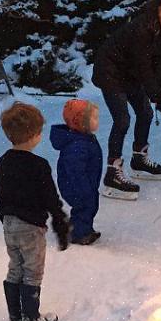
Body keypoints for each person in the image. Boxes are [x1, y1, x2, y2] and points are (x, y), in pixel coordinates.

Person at [91, 0, 161, 200]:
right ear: (157, 8)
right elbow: (144, 66)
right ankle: (112, 174)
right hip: (111, 69)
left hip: (130, 71)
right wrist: (158, 97)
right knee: (122, 119)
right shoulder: (143, 28)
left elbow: (156, 64)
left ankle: (139, 159)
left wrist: (160, 95)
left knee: (145, 113)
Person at [0, 102, 70, 321]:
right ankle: (31, 319)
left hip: (10, 224)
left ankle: (15, 317)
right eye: (39, 131)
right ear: (33, 135)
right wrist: (59, 220)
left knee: (15, 267)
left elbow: (1, 193)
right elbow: (50, 197)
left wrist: (5, 217)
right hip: (31, 225)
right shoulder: (38, 165)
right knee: (32, 270)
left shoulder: (3, 162)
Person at [49, 99, 103, 245]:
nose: (98, 121)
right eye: (94, 118)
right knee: (84, 207)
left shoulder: (84, 139)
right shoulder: (78, 145)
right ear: (82, 122)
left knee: (89, 206)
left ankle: (84, 229)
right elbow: (75, 171)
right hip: (77, 186)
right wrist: (84, 188)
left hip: (86, 184)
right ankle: (78, 234)